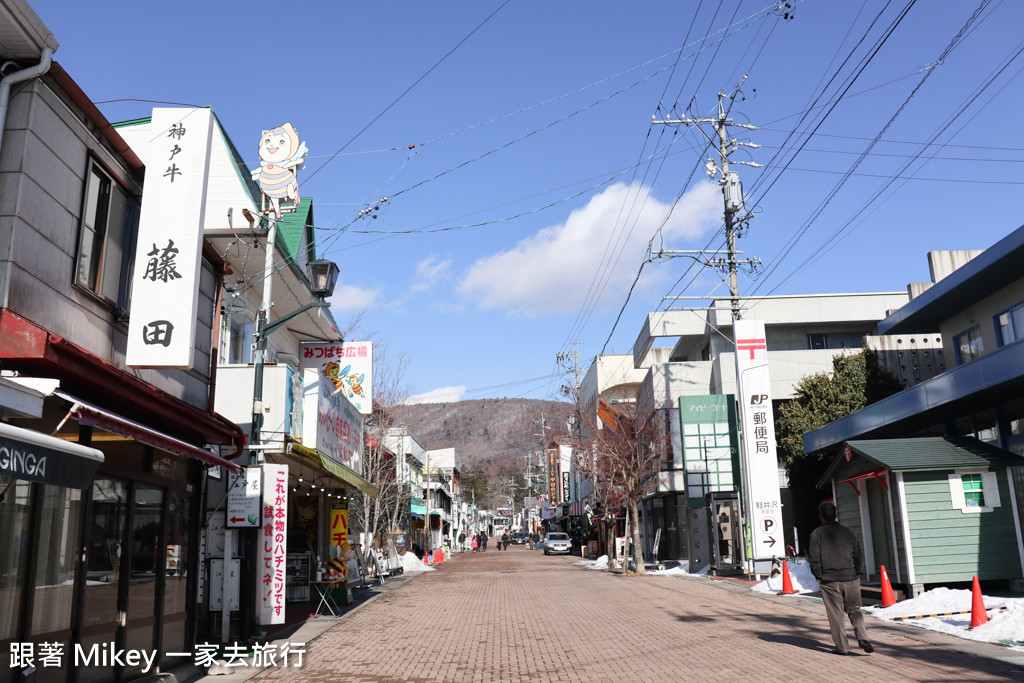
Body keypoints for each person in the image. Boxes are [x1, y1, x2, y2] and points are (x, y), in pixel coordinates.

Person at [808, 501, 874, 656]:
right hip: (850, 577)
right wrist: (857, 572)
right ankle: (863, 637)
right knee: (855, 609)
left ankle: (842, 647)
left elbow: (814, 558)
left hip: (830, 580)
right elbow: (858, 555)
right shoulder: (848, 532)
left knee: (836, 614)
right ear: (836, 515)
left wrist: (819, 576)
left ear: (821, 517)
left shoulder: (816, 534)